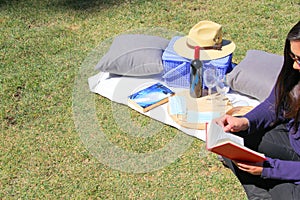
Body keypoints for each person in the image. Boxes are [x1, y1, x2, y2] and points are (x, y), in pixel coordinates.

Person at [214, 21, 300, 200]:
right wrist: (245, 121)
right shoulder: (294, 75)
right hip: (292, 144)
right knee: (232, 140)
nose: (295, 66)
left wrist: (270, 169)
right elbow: (273, 105)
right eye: (293, 57)